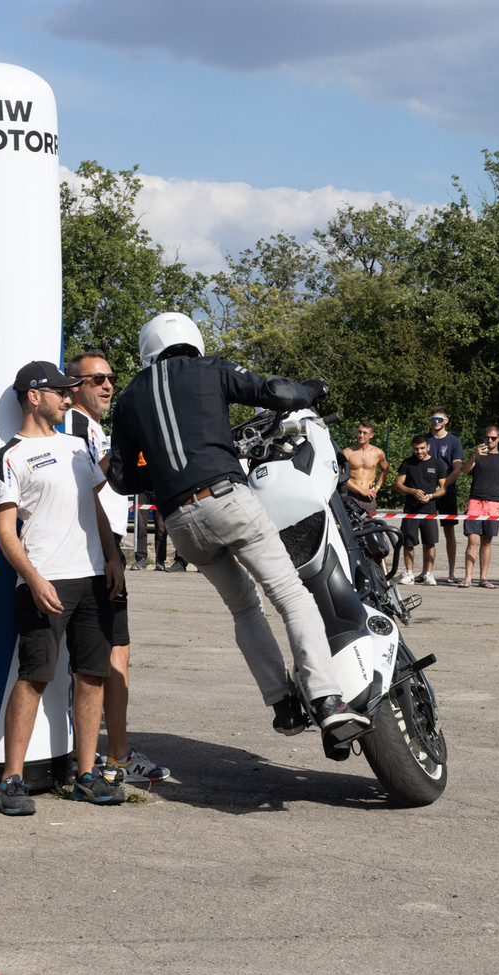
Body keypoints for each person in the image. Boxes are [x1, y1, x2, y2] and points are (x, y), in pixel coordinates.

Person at [107, 311, 370, 758]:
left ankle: (283, 704)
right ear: (192, 340)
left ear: (146, 350)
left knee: (244, 608)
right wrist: (311, 389)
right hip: (227, 498)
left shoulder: (129, 397)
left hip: (179, 523)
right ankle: (326, 698)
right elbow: (275, 392)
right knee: (290, 594)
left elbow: (122, 477)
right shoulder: (212, 368)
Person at [0, 361, 129, 816]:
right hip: (46, 580)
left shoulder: (77, 446)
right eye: (61, 392)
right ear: (33, 395)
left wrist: (111, 558)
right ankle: (10, 779)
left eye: (71, 391)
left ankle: (85, 775)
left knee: (92, 676)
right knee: (35, 676)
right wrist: (33, 578)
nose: (69, 398)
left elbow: (97, 508)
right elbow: (5, 531)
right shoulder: (9, 455)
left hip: (92, 577)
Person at [66, 350, 169, 787]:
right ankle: (114, 756)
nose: (108, 385)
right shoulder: (72, 425)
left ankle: (109, 752)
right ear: (74, 385)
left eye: (110, 378)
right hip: (88, 555)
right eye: (97, 380)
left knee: (115, 652)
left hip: (103, 551)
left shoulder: (89, 426)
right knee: (108, 654)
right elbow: (86, 486)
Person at [460, 425, 499, 588]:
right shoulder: (477, 455)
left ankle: (483, 578)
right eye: (487, 437)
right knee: (472, 540)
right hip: (475, 501)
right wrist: (474, 456)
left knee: (486, 542)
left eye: (493, 438)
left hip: (494, 503)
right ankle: (467, 578)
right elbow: (465, 471)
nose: (490, 440)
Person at [394, 435, 444, 586]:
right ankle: (409, 573)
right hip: (411, 510)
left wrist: (430, 496)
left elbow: (443, 489)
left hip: (429, 510)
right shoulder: (407, 463)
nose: (419, 451)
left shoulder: (437, 464)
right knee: (408, 542)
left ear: (428, 447)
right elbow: (397, 485)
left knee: (430, 542)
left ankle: (428, 574)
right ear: (413, 448)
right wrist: (412, 491)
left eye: (422, 448)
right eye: (416, 448)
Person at [425, 408, 467, 583]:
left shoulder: (454, 442)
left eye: (440, 419)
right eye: (434, 418)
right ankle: (426, 572)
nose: (436, 422)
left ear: (446, 421)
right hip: (427, 493)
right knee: (427, 531)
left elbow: (457, 469)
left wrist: (442, 487)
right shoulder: (425, 439)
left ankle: (452, 573)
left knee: (449, 531)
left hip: (448, 491)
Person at [341, 420, 388, 520]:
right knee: (351, 529)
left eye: (365, 433)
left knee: (370, 529)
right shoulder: (347, 452)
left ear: (371, 435)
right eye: (359, 432)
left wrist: (377, 488)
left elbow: (385, 470)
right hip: (351, 496)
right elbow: (341, 477)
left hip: (369, 497)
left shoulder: (378, 453)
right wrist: (361, 491)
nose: (361, 435)